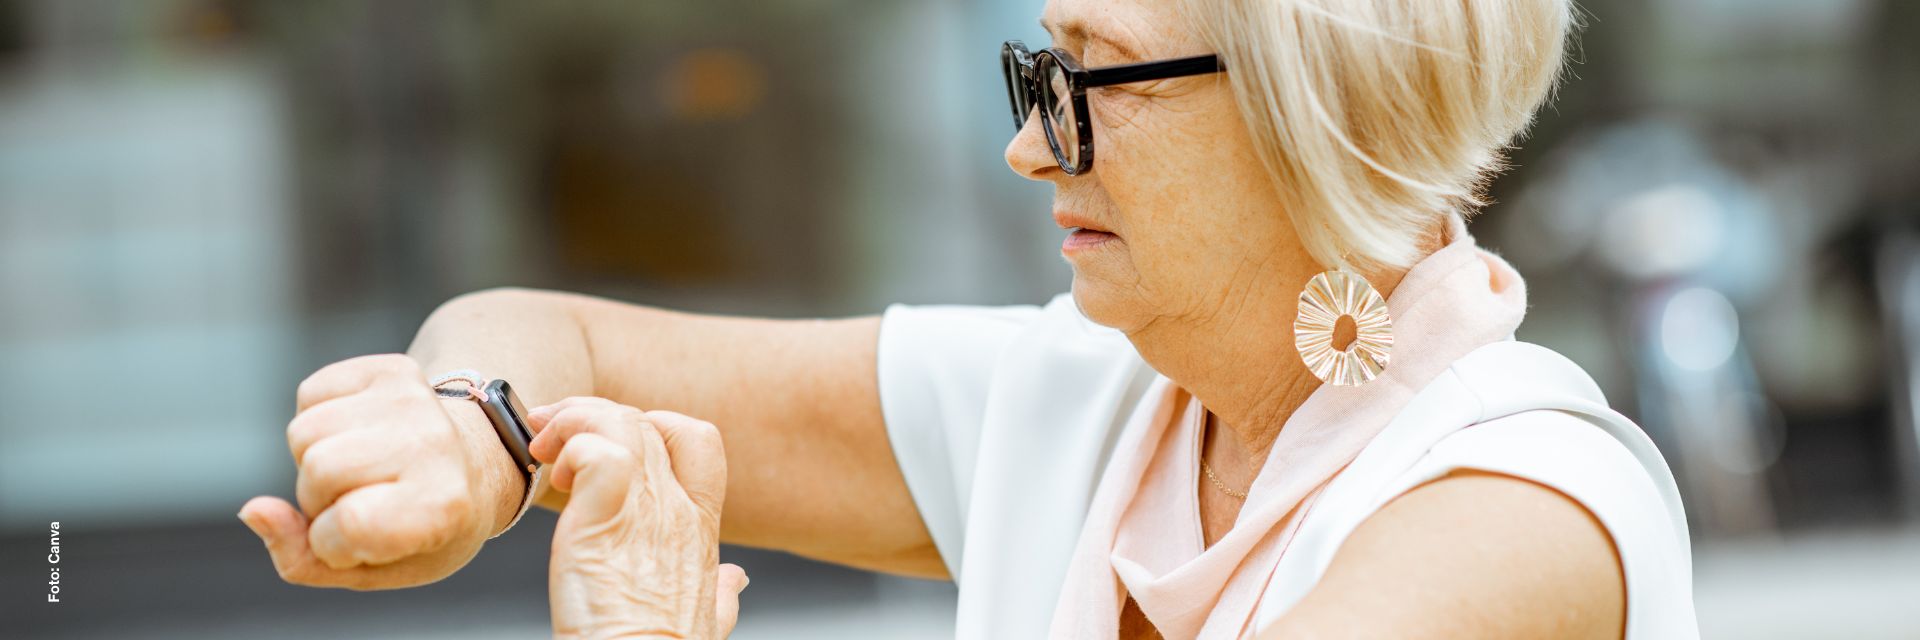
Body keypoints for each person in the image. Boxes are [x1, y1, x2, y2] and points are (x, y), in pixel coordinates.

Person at [236, 0, 1700, 636]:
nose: (1028, 147)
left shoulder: (1517, 514)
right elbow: (542, 330)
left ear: (1311, 106)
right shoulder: (1086, 391)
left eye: (1087, 79)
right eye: (1030, 70)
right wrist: (476, 441)